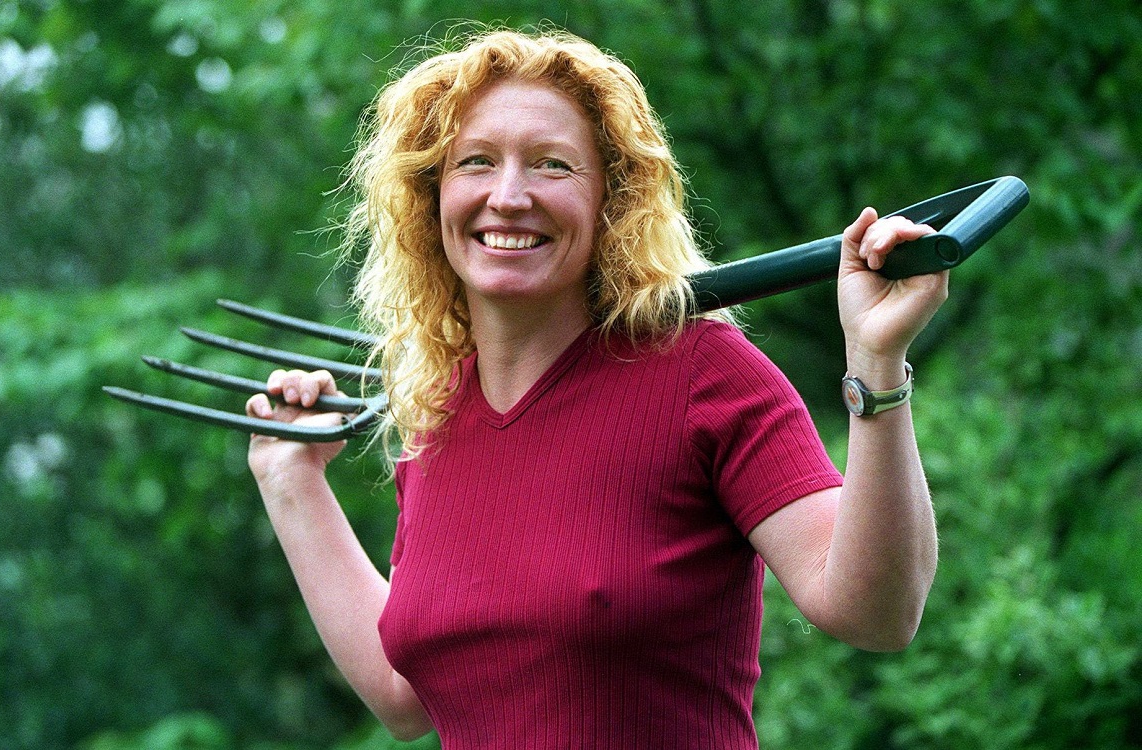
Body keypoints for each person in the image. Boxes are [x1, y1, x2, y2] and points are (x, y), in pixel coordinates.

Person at [243, 28, 947, 748]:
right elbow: (407, 697)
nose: (507, 196)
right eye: (475, 162)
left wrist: (876, 361)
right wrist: (291, 481)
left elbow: (876, 614)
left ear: (612, 201)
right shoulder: (437, 416)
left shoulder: (702, 373)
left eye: (552, 165)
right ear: (432, 198)